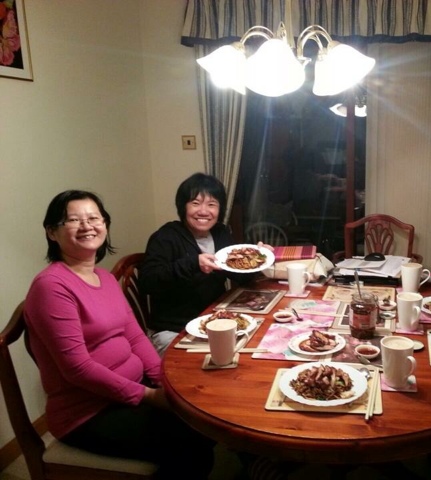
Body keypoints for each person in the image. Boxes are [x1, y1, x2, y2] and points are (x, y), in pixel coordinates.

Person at [24, 190, 214, 479]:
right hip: (88, 412)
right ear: (52, 232)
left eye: (94, 218)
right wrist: (149, 395)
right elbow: (77, 368)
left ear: (105, 225)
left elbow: (136, 337)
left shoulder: (104, 278)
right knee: (193, 446)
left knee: (204, 414)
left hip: (132, 389)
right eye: (73, 220)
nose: (87, 226)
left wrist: (163, 381)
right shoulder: (51, 286)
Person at [139, 173, 261, 355]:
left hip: (214, 321)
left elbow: (240, 277)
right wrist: (193, 263)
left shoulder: (220, 233)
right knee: (227, 358)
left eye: (211, 204)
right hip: (174, 330)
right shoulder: (166, 237)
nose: (203, 211)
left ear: (220, 209)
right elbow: (148, 281)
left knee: (256, 344)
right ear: (183, 207)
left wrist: (255, 259)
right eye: (195, 203)